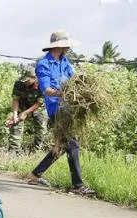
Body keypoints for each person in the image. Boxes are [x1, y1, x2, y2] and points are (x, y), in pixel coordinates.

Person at [27, 30, 96, 196]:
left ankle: (35, 174)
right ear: (59, 46)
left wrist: (86, 87)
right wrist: (65, 93)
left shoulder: (64, 61)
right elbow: (47, 90)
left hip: (68, 108)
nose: (68, 48)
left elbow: (74, 79)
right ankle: (77, 185)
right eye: (66, 45)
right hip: (56, 109)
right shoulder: (44, 65)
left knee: (63, 145)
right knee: (73, 145)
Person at [5, 65, 47, 154]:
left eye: (27, 80)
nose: (25, 82)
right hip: (23, 105)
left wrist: (25, 113)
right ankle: (14, 150)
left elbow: (39, 102)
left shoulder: (42, 84)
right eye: (24, 79)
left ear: (34, 78)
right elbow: (15, 99)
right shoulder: (19, 83)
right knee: (15, 122)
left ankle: (36, 151)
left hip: (38, 107)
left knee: (41, 127)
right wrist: (16, 115)